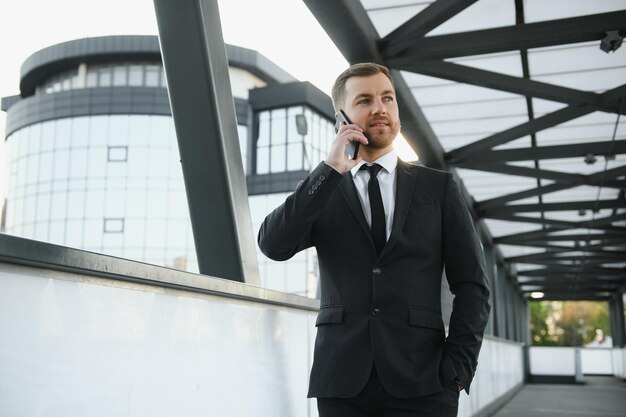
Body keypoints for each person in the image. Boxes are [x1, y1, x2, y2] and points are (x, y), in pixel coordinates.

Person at [258, 63, 490, 417]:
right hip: (342, 384)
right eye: (365, 100)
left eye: (387, 98)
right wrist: (329, 170)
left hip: (425, 381)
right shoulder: (326, 189)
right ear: (342, 117)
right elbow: (273, 245)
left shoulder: (438, 187)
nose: (380, 108)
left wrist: (458, 367)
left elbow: (472, 285)